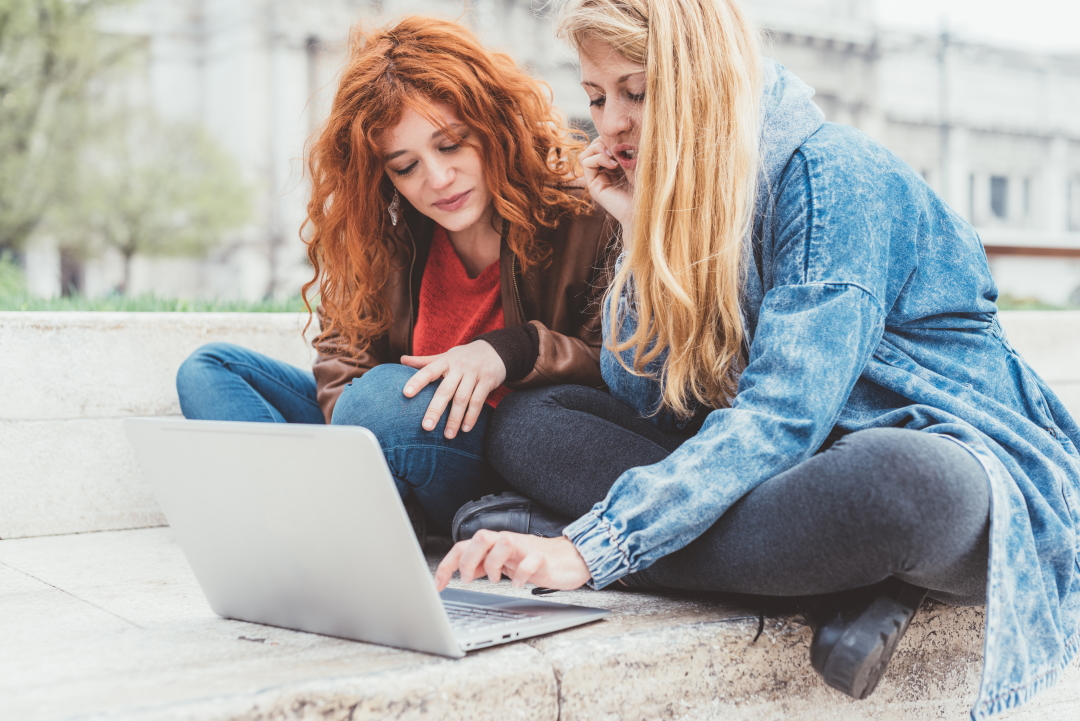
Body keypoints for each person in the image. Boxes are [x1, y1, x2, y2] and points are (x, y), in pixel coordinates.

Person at [434, 0, 1080, 716]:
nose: (609, 122)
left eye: (637, 92)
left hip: (945, 459)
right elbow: (642, 396)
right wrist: (640, 232)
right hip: (786, 477)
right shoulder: (687, 190)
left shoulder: (832, 177)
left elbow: (783, 414)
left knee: (901, 486)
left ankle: (595, 539)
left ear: (702, 80)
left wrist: (589, 547)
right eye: (596, 96)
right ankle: (830, 578)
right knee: (531, 419)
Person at [176, 16, 615, 534]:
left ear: (494, 126)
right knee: (210, 370)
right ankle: (344, 512)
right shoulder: (382, 235)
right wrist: (361, 448)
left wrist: (509, 351)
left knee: (381, 399)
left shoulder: (582, 212)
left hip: (497, 451)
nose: (438, 179)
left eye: (451, 144)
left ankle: (324, 513)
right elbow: (342, 362)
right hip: (391, 436)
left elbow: (613, 366)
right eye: (404, 167)